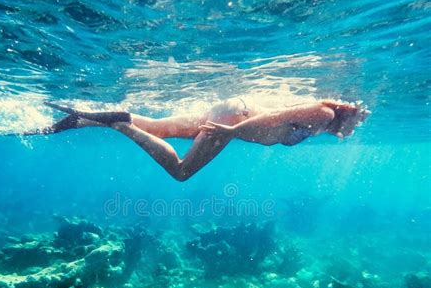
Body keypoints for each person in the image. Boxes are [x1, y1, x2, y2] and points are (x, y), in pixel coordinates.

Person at [27, 97, 370, 181]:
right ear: (347, 114)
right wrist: (233, 131)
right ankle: (117, 124)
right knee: (181, 171)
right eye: (358, 122)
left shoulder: (325, 124)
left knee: (159, 128)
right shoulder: (324, 115)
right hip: (234, 118)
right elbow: (274, 120)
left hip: (232, 111)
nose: (354, 131)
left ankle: (85, 118)